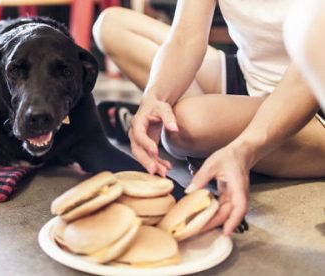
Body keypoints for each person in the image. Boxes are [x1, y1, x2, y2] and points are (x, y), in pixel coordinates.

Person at [92, 0, 325, 235]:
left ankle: (206, 141)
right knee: (111, 25)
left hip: (313, 101)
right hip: (248, 76)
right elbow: (185, 37)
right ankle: (206, 139)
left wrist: (244, 148)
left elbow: (307, 70)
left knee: (184, 126)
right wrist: (154, 99)